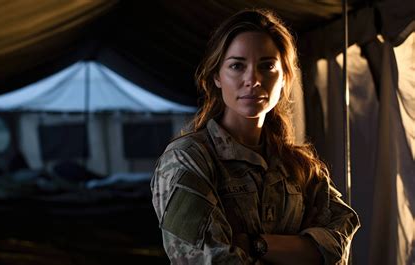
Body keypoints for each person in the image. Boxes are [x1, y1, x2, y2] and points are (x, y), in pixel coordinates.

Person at [151, 8, 360, 265]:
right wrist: (300, 250)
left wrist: (256, 244)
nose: (253, 79)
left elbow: (339, 241)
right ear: (217, 76)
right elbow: (210, 260)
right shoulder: (188, 159)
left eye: (267, 66)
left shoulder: (299, 166)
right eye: (237, 66)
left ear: (284, 77)